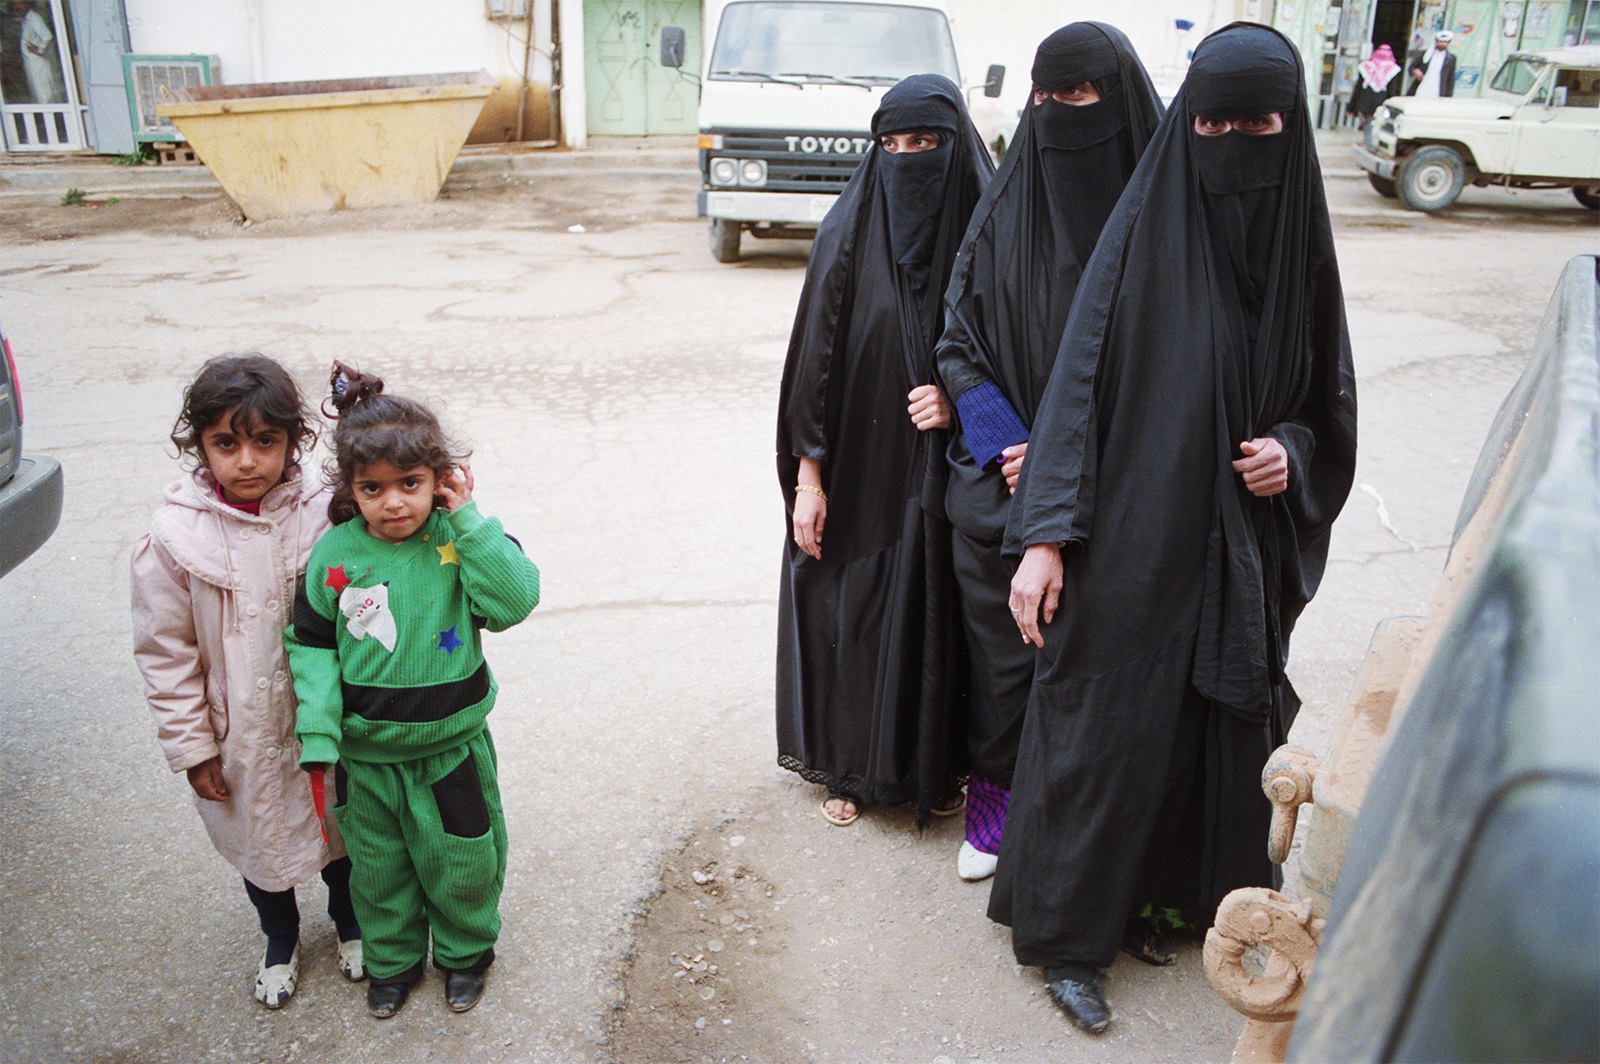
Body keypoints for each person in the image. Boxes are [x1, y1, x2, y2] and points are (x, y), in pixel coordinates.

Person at [992, 23, 1357, 1034]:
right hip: (1128, 537)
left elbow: (1325, 402)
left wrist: (1289, 448)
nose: (1233, 142)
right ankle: (1066, 936)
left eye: (1258, 123)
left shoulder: (1298, 250)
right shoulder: (1140, 240)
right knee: (1103, 728)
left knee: (1206, 728)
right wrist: (1043, 537)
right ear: (1185, 123)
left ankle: (1159, 903)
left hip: (1236, 546)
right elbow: (1074, 394)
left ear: (1289, 129)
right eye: (1212, 122)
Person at [932, 22, 1163, 882]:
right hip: (1003, 481)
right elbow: (956, 343)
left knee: (1101, 674)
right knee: (1003, 660)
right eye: (1045, 93)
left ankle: (1079, 840)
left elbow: (1176, 362)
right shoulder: (1004, 210)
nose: (1057, 111)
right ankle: (993, 809)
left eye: (1079, 95)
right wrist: (1009, 440)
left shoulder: (1162, 215)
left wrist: (1069, 455)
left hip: (1118, 484)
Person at [285, 364, 540, 1019]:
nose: (393, 502)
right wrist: (318, 730)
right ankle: (392, 964)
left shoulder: (461, 542)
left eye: (411, 484)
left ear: (440, 479)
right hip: (366, 763)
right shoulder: (334, 556)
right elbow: (310, 647)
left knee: (462, 864)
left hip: (451, 754)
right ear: (350, 489)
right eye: (373, 488)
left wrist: (471, 519)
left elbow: (515, 602)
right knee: (379, 870)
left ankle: (464, 956)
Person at [776, 74, 993, 828]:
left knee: (939, 610)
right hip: (857, 465)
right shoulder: (846, 232)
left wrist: (956, 400)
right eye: (892, 144)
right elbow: (813, 366)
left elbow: (1022, 362)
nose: (907, 158)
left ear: (956, 144)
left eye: (926, 143)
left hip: (946, 467)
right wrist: (809, 477)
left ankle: (933, 767)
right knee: (854, 606)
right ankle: (851, 765)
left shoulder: (989, 232)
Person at [131, 354, 364, 1010]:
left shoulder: (326, 509)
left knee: (339, 831)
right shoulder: (178, 536)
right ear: (199, 445)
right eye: (225, 443)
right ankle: (280, 938)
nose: (247, 461)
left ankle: (351, 923)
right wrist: (193, 748)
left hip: (322, 718)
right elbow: (164, 652)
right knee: (260, 844)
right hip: (239, 734)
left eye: (266, 441)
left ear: (294, 440)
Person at [16, 1, 64, 104]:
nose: (17, 7)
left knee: (45, 94)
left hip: (39, 64)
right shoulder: (25, 20)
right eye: (16, 4)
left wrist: (40, 50)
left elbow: (47, 36)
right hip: (31, 64)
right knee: (37, 94)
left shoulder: (34, 19)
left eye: (20, 3)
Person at [1345, 43, 1401, 127]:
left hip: (1365, 102)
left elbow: (1358, 88)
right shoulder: (1392, 69)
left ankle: (1368, 139)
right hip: (1381, 103)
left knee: (1368, 124)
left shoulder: (1366, 66)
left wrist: (1351, 108)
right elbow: (1391, 91)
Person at [1407, 31, 1457, 98]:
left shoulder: (1451, 58)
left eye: (1445, 42)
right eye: (1440, 41)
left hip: (1438, 89)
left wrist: (1448, 96)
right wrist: (1415, 71)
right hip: (1423, 85)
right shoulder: (1426, 54)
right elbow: (1412, 67)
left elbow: (1450, 79)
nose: (1442, 44)